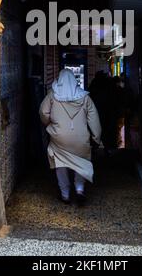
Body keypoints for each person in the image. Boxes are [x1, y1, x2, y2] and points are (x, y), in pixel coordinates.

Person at [39, 69, 102, 205]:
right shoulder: (85, 97)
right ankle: (79, 190)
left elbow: (43, 112)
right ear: (74, 81)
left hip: (59, 138)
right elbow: (94, 119)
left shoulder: (52, 95)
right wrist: (96, 138)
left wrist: (48, 123)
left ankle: (65, 194)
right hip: (81, 139)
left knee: (60, 163)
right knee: (81, 162)